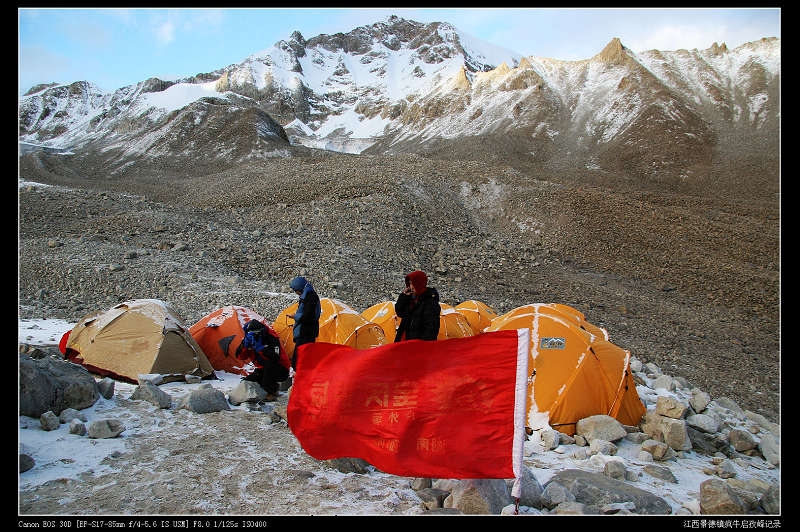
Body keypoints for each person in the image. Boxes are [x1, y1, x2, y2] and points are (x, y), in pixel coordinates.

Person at [237, 319, 289, 400]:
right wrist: (244, 346)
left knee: (269, 368)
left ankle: (271, 391)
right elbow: (241, 357)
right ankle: (268, 388)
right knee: (248, 382)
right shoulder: (249, 339)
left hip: (281, 369)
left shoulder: (271, 337)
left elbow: (275, 357)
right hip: (262, 369)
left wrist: (261, 348)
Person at [394, 270, 440, 342]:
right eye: (409, 284)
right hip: (405, 341)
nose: (411, 287)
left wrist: (422, 346)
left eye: (413, 284)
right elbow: (399, 312)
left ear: (419, 284)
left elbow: (431, 329)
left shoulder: (430, 302)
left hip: (418, 346)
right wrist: (403, 296)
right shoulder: (411, 299)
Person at [288, 275, 321, 370]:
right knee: (301, 358)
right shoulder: (307, 294)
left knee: (300, 360)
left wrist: (296, 316)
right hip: (305, 332)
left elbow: (309, 316)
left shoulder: (310, 296)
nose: (296, 293)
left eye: (295, 290)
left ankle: (300, 379)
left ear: (300, 288)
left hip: (306, 332)